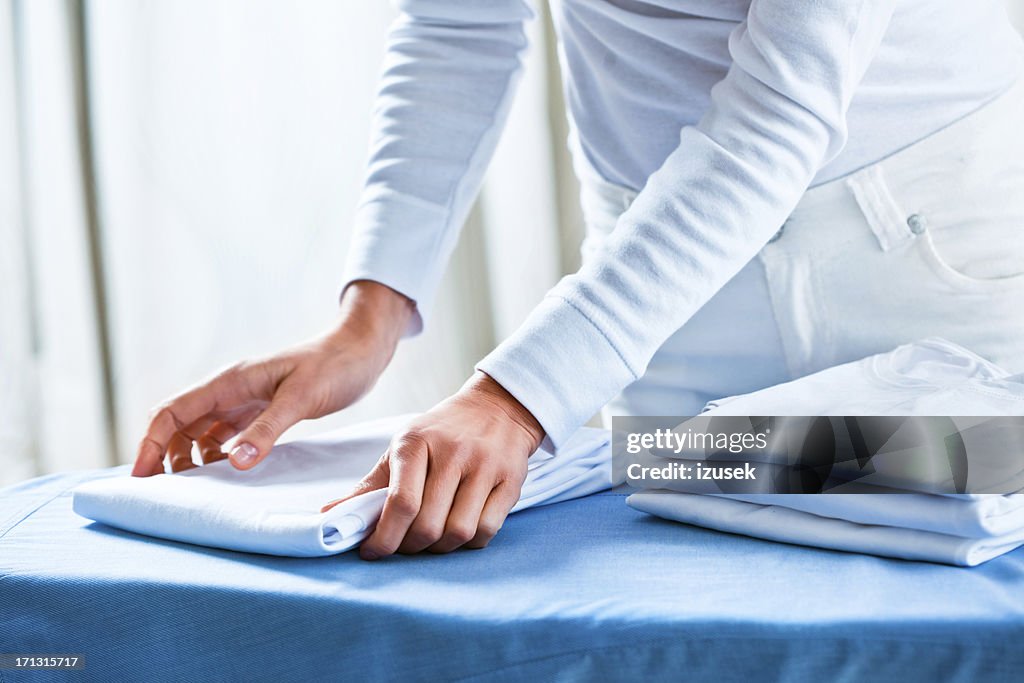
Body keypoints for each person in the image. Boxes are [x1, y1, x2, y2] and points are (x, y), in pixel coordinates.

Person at [131, 0, 1024, 560]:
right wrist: (371, 315)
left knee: (962, 587)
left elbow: (778, 111)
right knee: (680, 614)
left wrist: (517, 398)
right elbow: (456, 24)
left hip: (921, 268)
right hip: (666, 293)